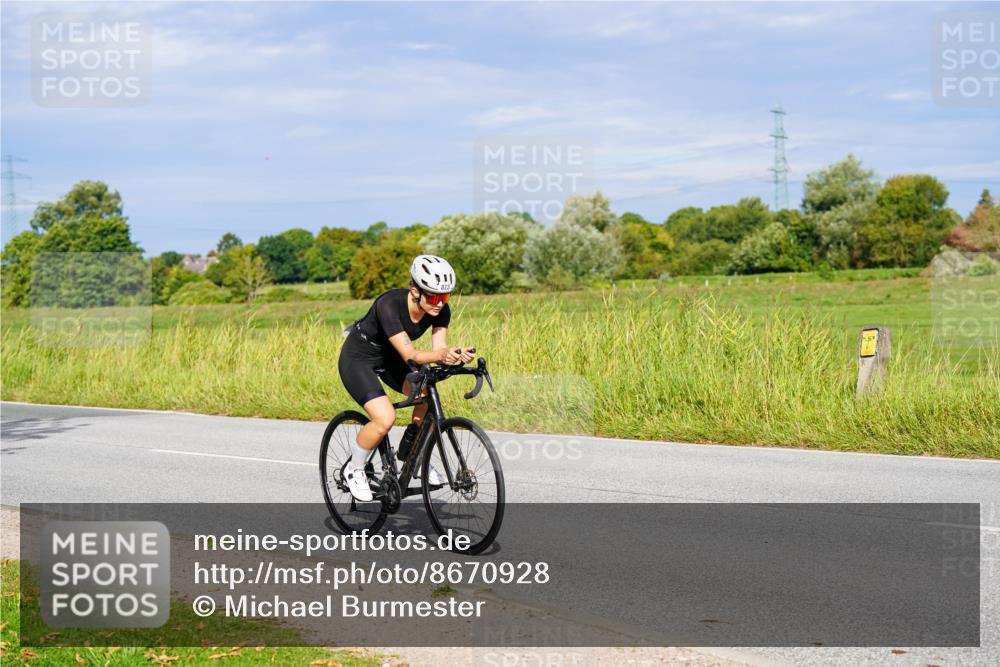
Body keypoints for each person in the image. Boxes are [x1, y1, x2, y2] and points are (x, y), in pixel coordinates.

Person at [337, 254, 475, 501]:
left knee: (425, 397)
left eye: (445, 297)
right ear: (415, 291)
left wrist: (453, 355)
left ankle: (410, 457)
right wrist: (441, 355)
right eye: (433, 296)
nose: (440, 303)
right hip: (359, 358)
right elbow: (410, 353)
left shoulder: (440, 311)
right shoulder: (388, 304)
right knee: (384, 418)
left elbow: (438, 349)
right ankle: (354, 469)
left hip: (392, 359)